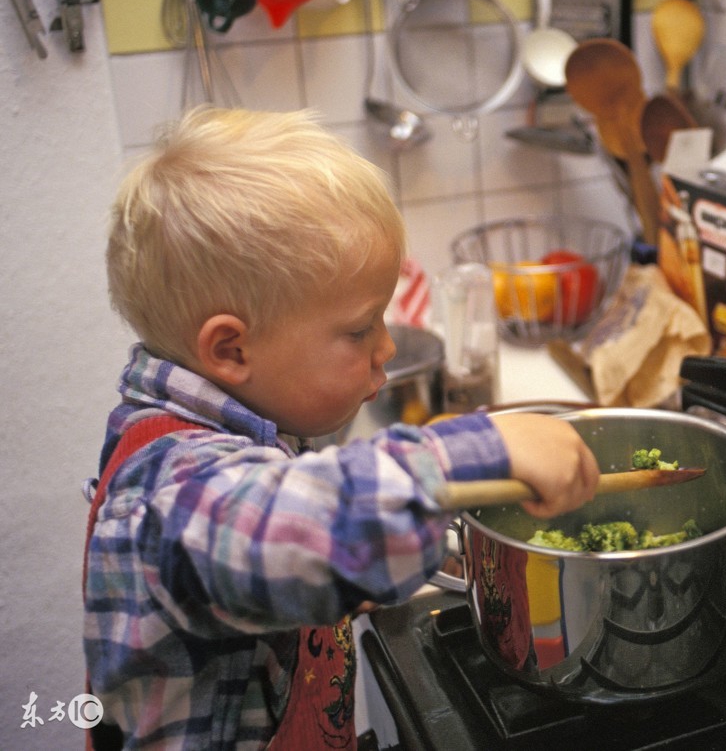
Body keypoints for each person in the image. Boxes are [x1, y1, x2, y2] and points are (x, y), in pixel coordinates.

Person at [85, 106, 600, 749]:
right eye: (360, 329)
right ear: (231, 351)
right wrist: (475, 453)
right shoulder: (165, 487)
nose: (386, 347)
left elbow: (310, 507)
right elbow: (287, 522)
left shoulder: (247, 421)